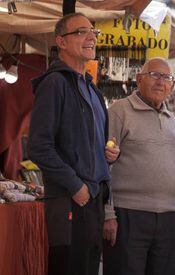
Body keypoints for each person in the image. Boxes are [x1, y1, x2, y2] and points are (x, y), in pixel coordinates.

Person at [102, 57, 175, 275]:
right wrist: (107, 214)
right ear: (139, 79)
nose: (160, 82)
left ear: (172, 86)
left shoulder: (172, 120)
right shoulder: (119, 111)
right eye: (154, 75)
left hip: (170, 218)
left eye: (167, 78)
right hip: (128, 215)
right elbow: (103, 163)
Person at [28, 13, 119, 275]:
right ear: (61, 42)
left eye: (93, 32)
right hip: (70, 200)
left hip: (93, 200)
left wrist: (108, 154)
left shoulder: (93, 91)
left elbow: (91, 147)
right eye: (81, 32)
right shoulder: (54, 83)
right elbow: (39, 146)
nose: (91, 37)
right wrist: (75, 185)